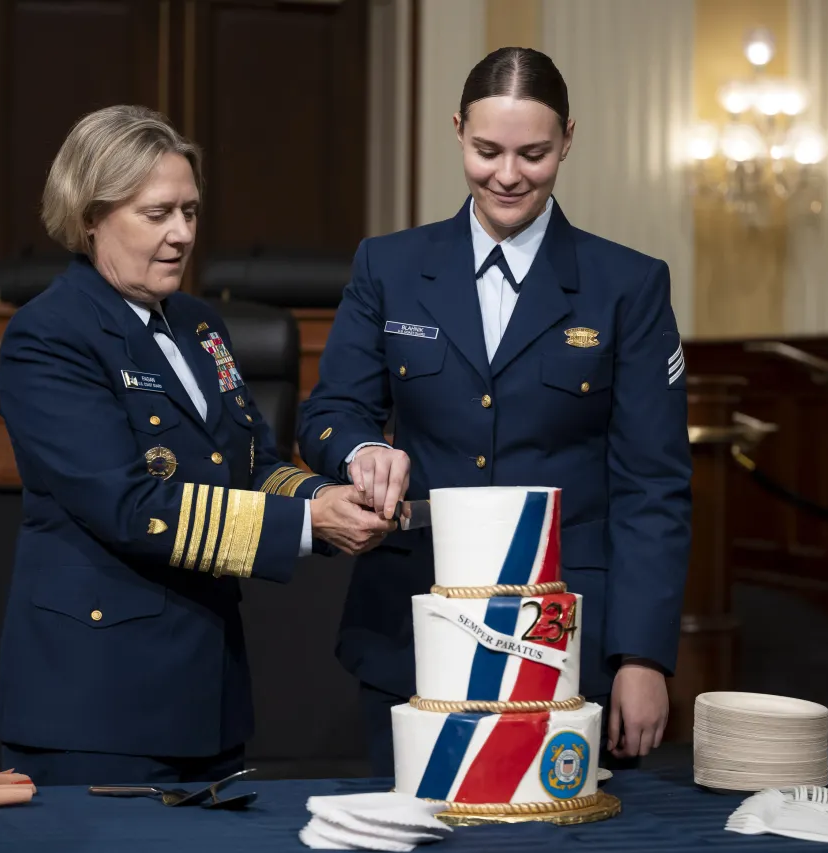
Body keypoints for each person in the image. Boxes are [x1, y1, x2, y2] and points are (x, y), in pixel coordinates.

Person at [297, 47, 693, 776]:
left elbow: (652, 484)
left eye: (534, 153)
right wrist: (358, 451)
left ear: (568, 139)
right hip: (414, 623)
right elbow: (332, 409)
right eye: (487, 150)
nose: (508, 175)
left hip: (566, 633)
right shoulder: (387, 266)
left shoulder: (627, 285)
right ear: (457, 132)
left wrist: (641, 654)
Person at [0, 105, 395, 786]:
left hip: (206, 690)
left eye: (191, 211)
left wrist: (327, 495)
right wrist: (306, 523)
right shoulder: (50, 335)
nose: (182, 234)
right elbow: (129, 505)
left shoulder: (201, 325)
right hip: (97, 703)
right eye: (157, 214)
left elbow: (252, 464)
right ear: (90, 215)